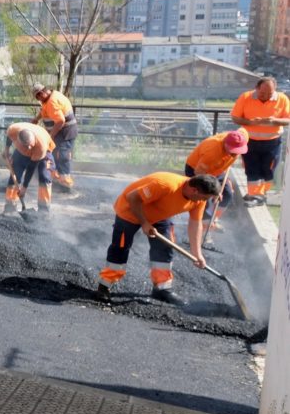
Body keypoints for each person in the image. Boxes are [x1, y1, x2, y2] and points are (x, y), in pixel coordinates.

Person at [95, 172, 220, 305]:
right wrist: (144, 222)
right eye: (205, 198)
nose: (205, 201)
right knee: (121, 249)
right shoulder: (165, 185)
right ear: (195, 190)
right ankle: (104, 286)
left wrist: (197, 254)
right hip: (129, 211)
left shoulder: (198, 199)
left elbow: (195, 224)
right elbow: (132, 197)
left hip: (160, 214)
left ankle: (162, 288)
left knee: (165, 248)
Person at [230, 76, 290, 206]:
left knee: (268, 169)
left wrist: (273, 121)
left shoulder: (282, 98)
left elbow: (287, 120)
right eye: (263, 93)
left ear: (275, 90)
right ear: (257, 88)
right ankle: (254, 195)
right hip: (250, 141)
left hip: (272, 142)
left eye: (270, 93)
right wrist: (250, 122)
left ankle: (260, 195)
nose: (266, 96)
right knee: (251, 168)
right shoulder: (245, 97)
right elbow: (235, 117)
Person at [184, 129, 248, 233]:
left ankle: (212, 220)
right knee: (203, 198)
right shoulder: (212, 152)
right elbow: (199, 175)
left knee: (227, 194)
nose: (235, 154)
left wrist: (226, 180)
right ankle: (203, 226)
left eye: (238, 150)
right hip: (197, 171)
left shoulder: (242, 137)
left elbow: (244, 130)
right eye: (233, 150)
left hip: (218, 169)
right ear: (225, 144)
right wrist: (214, 191)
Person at [32, 83, 79, 192]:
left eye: (37, 97)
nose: (38, 99)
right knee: (55, 155)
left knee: (62, 157)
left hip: (64, 133)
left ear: (41, 93)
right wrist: (37, 119)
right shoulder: (50, 97)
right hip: (62, 132)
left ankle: (66, 185)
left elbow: (60, 121)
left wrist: (50, 136)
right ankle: (59, 180)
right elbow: (44, 110)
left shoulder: (52, 102)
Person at [1, 122, 56, 213]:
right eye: (27, 146)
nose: (29, 148)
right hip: (21, 151)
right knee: (15, 174)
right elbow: (9, 136)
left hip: (45, 152)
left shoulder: (41, 147)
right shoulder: (13, 129)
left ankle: (44, 210)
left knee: (45, 176)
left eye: (31, 144)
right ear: (18, 140)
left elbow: (31, 167)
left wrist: (24, 188)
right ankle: (10, 206)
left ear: (33, 139)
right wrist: (6, 150)